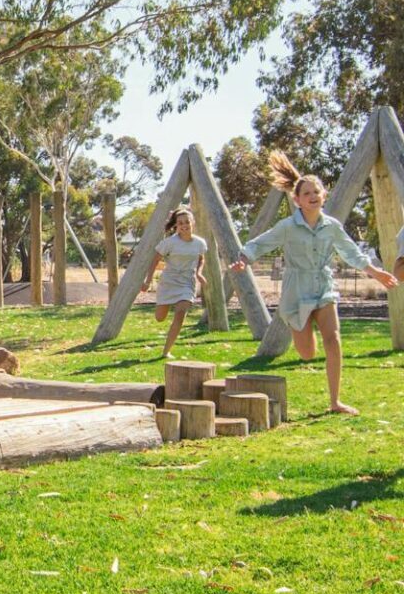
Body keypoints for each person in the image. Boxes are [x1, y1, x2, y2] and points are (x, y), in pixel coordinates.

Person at [230, 150, 398, 415]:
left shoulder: (331, 226)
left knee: (333, 339)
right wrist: (244, 259)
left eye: (316, 192)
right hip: (296, 292)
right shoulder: (287, 226)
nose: (313, 196)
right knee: (307, 353)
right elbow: (261, 243)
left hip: (323, 286)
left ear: (324, 196)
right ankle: (305, 333)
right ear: (297, 200)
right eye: (307, 193)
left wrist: (375, 272)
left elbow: (351, 252)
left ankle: (335, 402)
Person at [142, 206, 207, 360]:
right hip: (169, 281)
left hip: (187, 281)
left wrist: (199, 273)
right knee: (160, 318)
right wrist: (148, 280)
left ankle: (166, 351)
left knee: (181, 313)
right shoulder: (169, 243)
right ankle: (164, 307)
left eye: (187, 222)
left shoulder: (200, 243)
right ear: (176, 225)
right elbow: (155, 260)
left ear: (193, 223)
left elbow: (201, 258)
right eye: (180, 222)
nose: (184, 225)